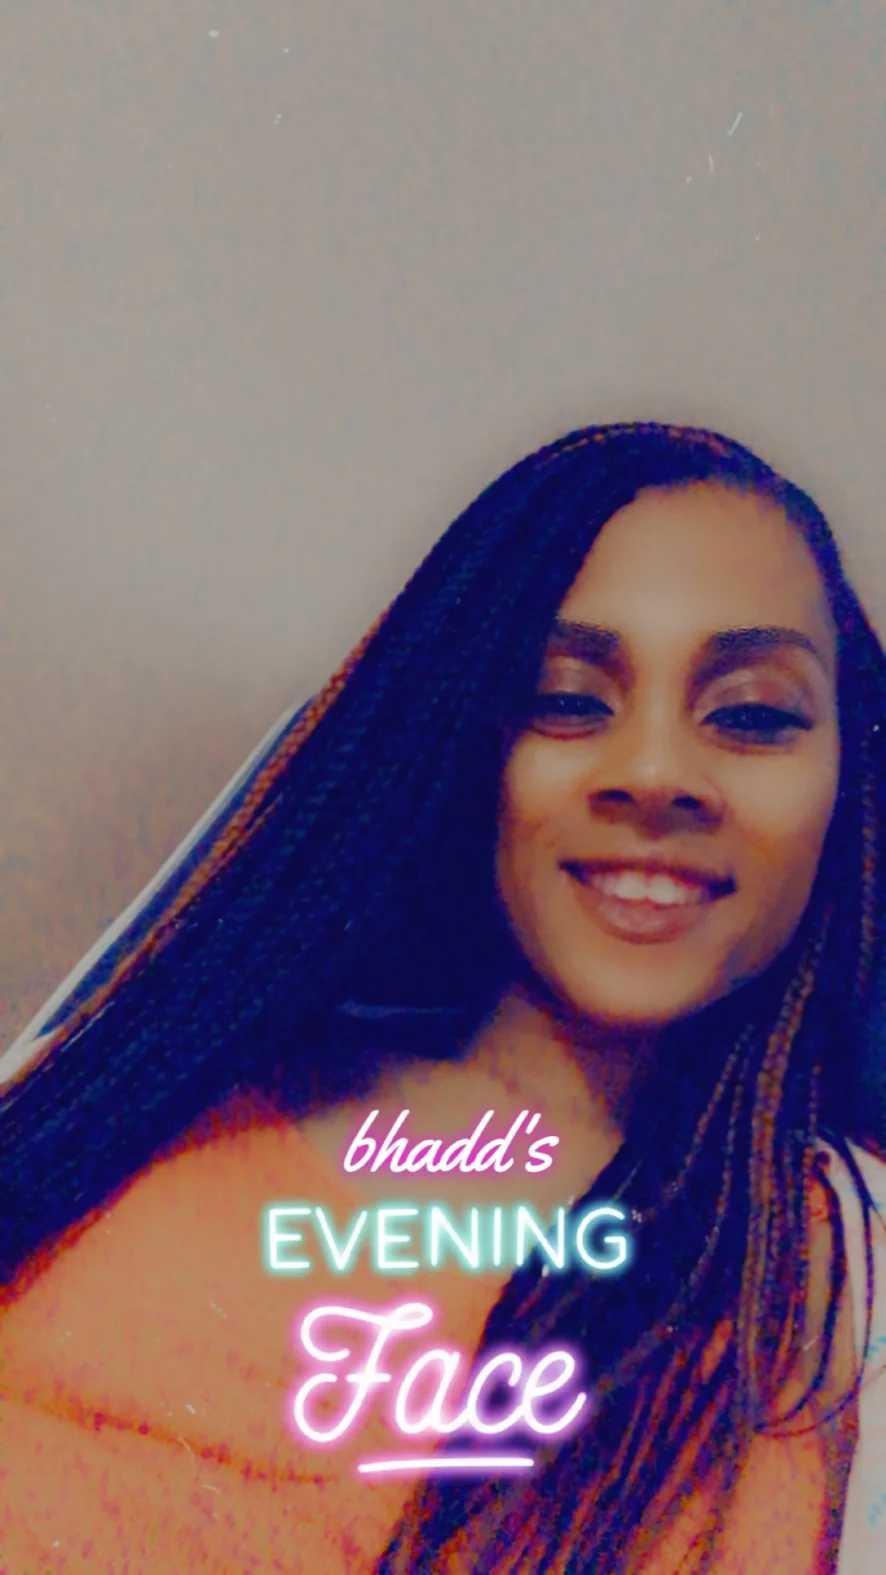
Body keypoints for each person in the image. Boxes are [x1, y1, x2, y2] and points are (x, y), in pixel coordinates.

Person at [0, 420, 884, 1574]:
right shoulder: (137, 1086)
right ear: (465, 739)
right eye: (566, 699)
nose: (655, 774)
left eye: (753, 715)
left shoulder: (828, 1285)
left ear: (847, 780)